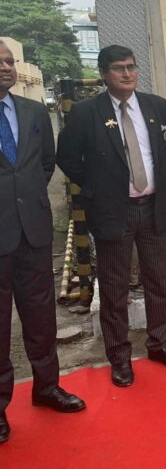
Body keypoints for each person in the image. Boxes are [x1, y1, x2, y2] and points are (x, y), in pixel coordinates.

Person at [57, 45, 166, 388]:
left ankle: (159, 343)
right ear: (104, 74)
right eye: (118, 68)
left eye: (131, 67)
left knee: (158, 281)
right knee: (114, 288)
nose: (127, 73)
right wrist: (97, 187)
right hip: (114, 212)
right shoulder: (87, 113)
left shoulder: (156, 106)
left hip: (154, 207)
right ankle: (119, 356)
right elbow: (66, 157)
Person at [0, 41, 85, 443]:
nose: (6, 67)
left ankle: (47, 387)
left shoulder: (33, 111)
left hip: (33, 232)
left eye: (9, 60)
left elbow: (45, 164)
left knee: (41, 317)